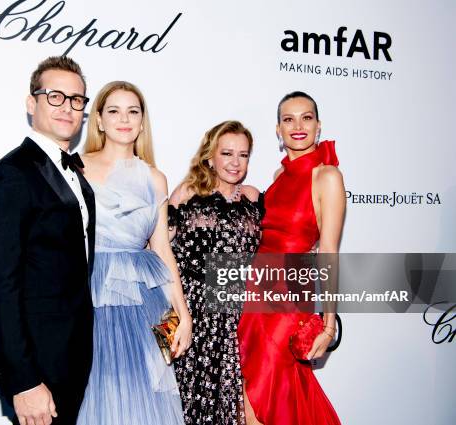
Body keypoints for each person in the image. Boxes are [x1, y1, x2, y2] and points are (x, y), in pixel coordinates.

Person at [0, 56, 95, 425]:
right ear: (32, 103)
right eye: (55, 96)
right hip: (37, 367)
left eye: (77, 100)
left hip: (74, 358)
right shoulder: (10, 176)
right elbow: (1, 287)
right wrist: (24, 380)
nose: (68, 108)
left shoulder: (77, 175)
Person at [75, 81, 192, 425]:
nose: (123, 119)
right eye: (114, 110)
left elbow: (162, 250)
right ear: (98, 120)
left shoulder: (155, 179)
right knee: (93, 393)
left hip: (146, 302)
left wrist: (183, 315)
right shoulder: (75, 167)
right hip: (88, 294)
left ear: (142, 122)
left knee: (144, 399)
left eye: (133, 111)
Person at [237, 91, 345, 425]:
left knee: (267, 393)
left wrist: (328, 323)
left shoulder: (327, 177)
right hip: (252, 295)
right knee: (246, 395)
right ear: (278, 130)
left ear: (318, 124)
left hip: (287, 300)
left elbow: (328, 252)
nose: (298, 126)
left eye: (306, 117)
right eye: (289, 119)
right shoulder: (278, 178)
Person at [168, 121, 264, 425]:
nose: (236, 163)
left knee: (233, 404)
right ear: (210, 156)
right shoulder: (187, 193)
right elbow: (159, 248)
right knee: (188, 401)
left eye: (244, 155)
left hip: (239, 317)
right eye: (227, 153)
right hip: (192, 313)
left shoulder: (254, 198)